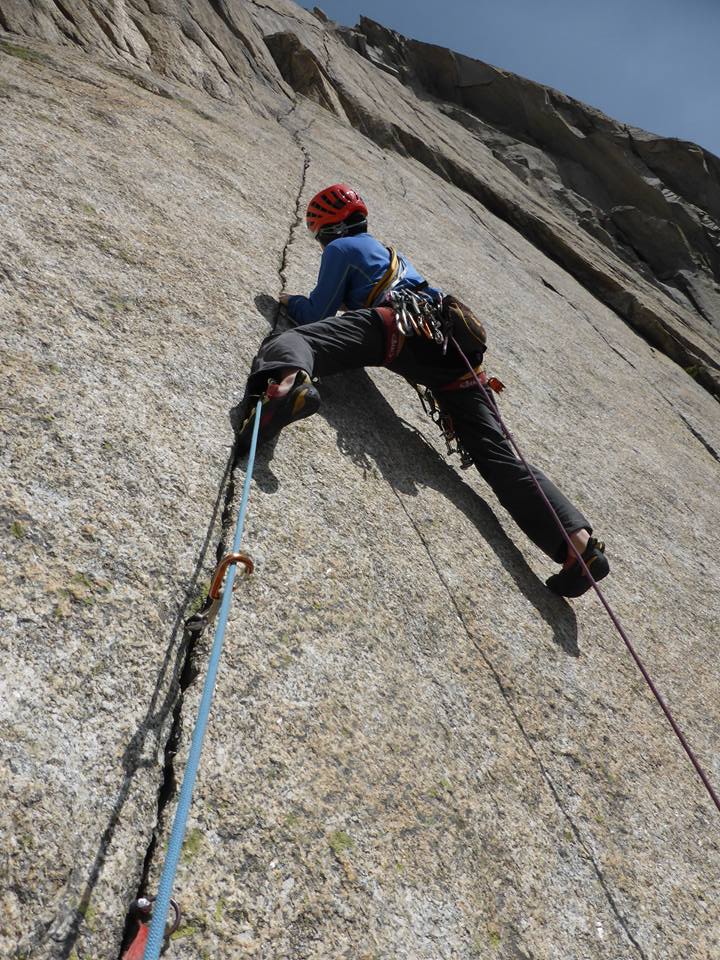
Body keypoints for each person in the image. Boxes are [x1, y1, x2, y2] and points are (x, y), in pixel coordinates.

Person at [230, 184, 609, 597]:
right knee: (500, 457)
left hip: (398, 330)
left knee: (297, 343)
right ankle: (580, 550)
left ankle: (286, 387)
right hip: (456, 363)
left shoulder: (342, 249)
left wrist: (293, 301)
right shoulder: (392, 256)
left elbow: (318, 313)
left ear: (325, 229)